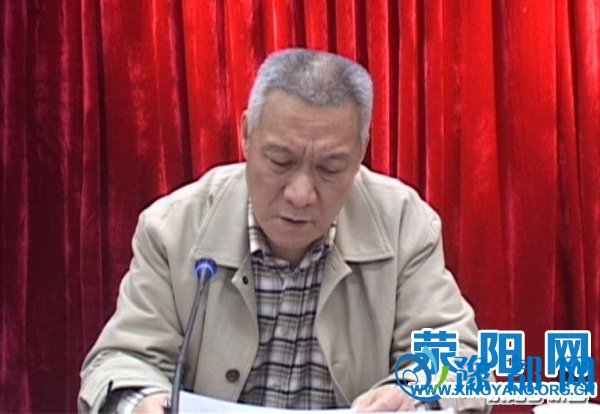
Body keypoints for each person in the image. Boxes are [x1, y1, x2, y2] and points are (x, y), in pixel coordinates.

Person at [79, 48, 488, 413]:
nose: (300, 194)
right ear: (246, 135)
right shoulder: (172, 228)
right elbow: (121, 361)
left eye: (330, 168)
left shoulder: (403, 225)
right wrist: (139, 403)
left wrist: (415, 392)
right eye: (280, 161)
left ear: (361, 152)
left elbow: (463, 360)